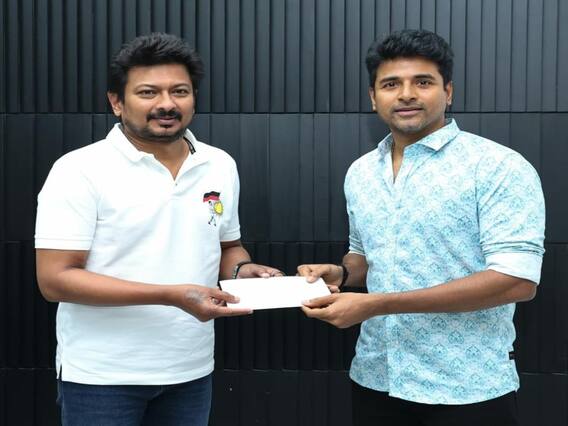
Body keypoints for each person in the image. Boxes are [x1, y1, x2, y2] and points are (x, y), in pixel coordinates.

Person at [298, 29, 545, 426]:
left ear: (448, 92)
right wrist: (341, 273)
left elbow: (517, 282)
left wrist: (379, 304)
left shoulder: (497, 166)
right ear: (373, 97)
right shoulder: (361, 172)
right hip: (375, 379)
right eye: (391, 84)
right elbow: (364, 256)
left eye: (423, 82)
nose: (406, 94)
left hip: (468, 388)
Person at [35, 33, 280, 426]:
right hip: (102, 376)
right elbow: (55, 280)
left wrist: (242, 271)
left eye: (179, 91)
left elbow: (228, 246)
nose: (166, 104)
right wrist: (170, 295)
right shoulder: (79, 170)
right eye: (148, 92)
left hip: (191, 370)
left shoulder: (219, 164)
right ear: (116, 102)